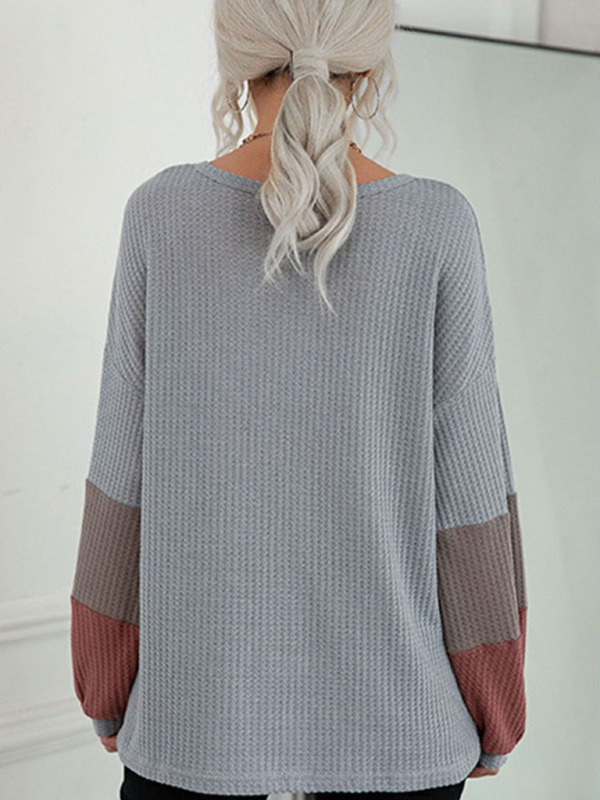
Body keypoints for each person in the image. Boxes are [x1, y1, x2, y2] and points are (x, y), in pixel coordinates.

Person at [69, 2, 528, 799]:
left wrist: (106, 687)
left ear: (235, 57)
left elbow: (121, 483)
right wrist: (496, 708)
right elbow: (471, 504)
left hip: (195, 727)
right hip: (402, 732)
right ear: (371, 62)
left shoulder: (160, 216)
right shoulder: (438, 225)